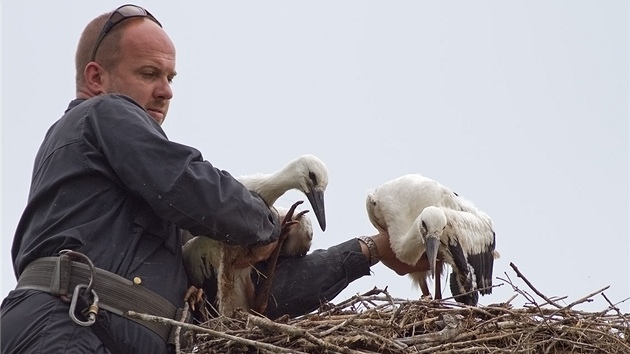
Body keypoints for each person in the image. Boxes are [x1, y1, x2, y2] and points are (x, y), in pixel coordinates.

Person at [0, 5, 431, 354]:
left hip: (102, 331)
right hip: (63, 326)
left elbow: (254, 303)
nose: (167, 91)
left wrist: (371, 250)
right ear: (97, 78)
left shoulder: (154, 228)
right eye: (150, 74)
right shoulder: (103, 114)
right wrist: (266, 225)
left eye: (170, 78)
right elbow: (191, 185)